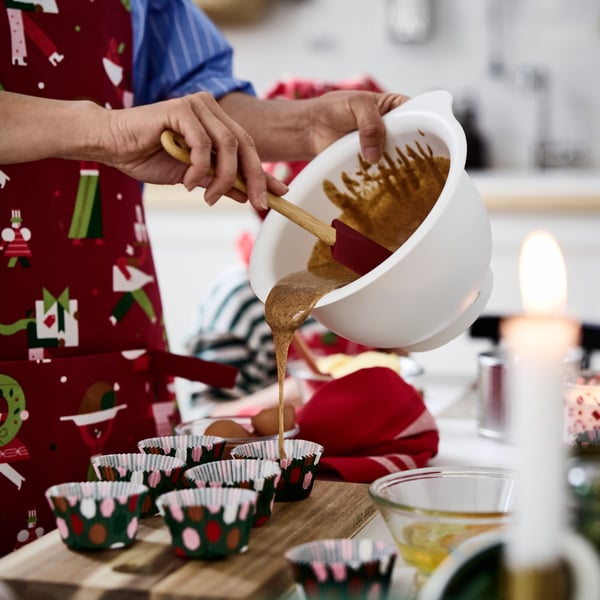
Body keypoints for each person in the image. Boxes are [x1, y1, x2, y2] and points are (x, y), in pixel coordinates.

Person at [0, 0, 408, 556]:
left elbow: (194, 92)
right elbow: (126, 123)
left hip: (109, 354)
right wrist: (103, 129)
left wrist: (304, 122)